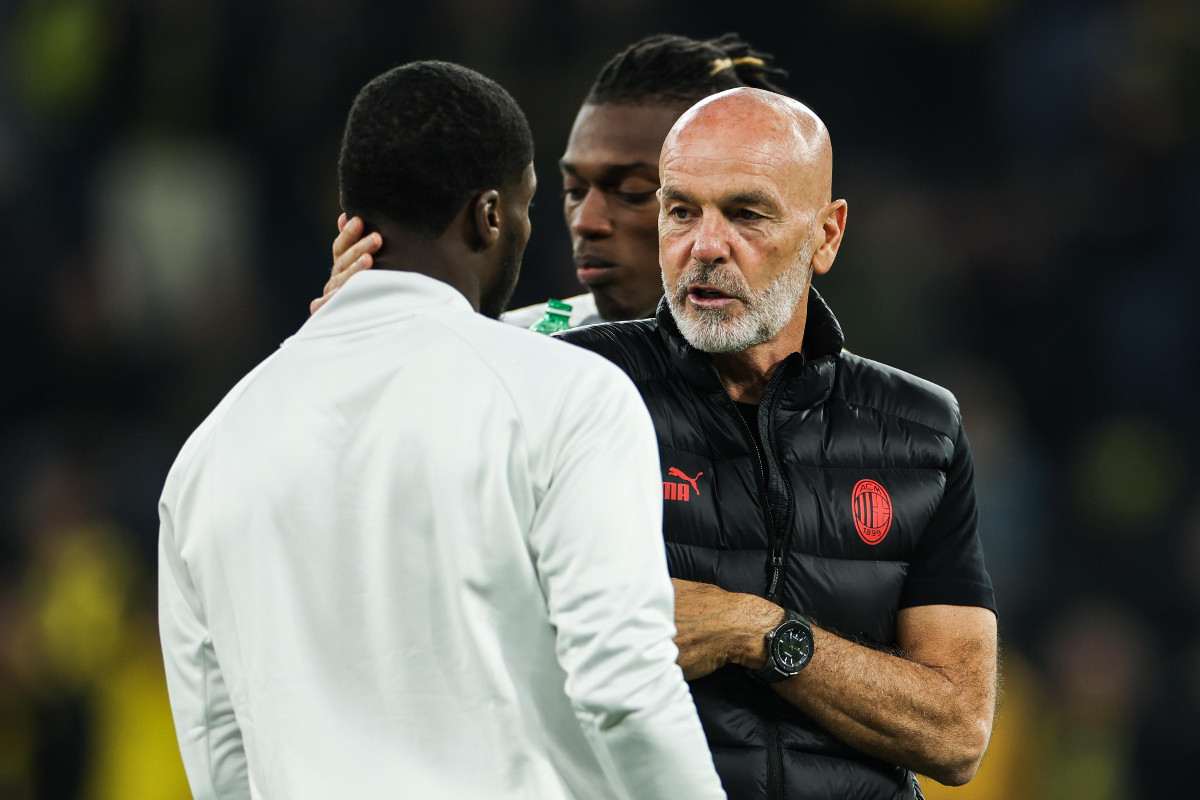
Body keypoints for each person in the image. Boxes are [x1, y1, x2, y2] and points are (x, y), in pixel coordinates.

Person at [157, 61, 724, 800]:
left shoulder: (207, 454)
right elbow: (624, 691)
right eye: (527, 206)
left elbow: (220, 757)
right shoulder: (568, 395)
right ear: (489, 215)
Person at [558, 88, 1000, 799]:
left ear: (826, 235)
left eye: (746, 214)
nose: (705, 246)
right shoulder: (574, 386)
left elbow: (955, 735)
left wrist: (758, 631)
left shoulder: (921, 429)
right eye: (681, 211)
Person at [312, 33, 788, 327]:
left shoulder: (825, 403)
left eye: (633, 192)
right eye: (574, 191)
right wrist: (356, 342)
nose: (586, 221)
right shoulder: (515, 352)